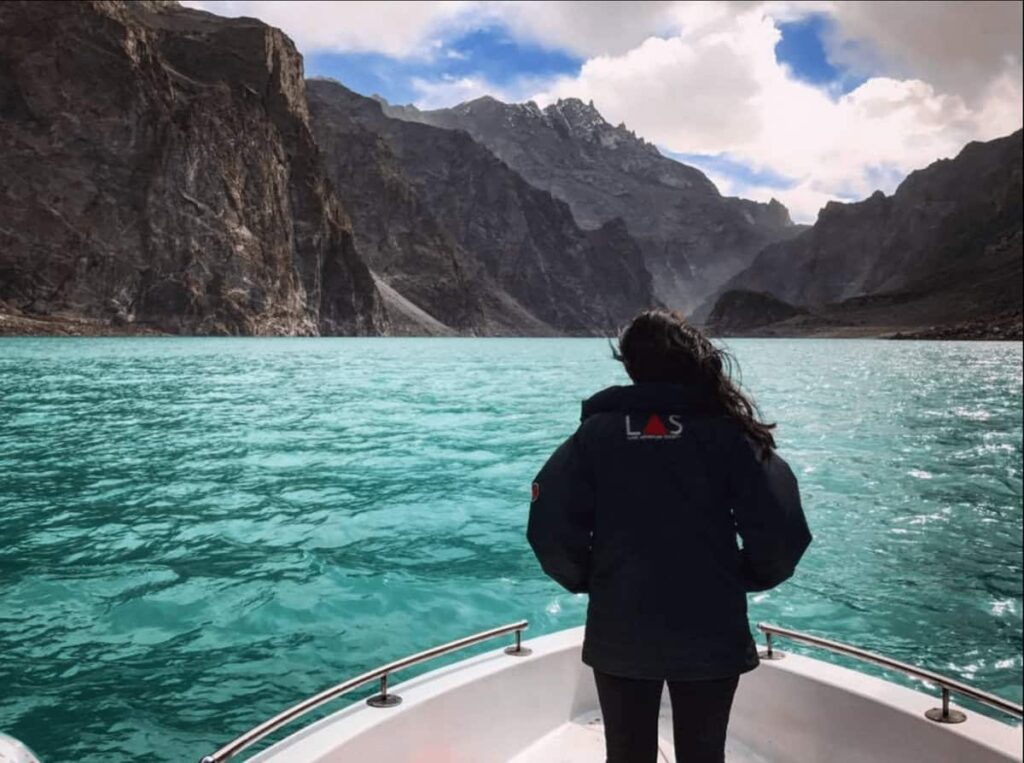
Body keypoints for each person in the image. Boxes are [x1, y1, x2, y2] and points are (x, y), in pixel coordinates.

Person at [527, 309, 812, 763]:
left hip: (620, 626)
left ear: (630, 365)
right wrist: (741, 576)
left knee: (626, 756)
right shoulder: (730, 435)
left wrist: (593, 578)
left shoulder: (594, 436)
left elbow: (549, 528)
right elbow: (782, 531)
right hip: (711, 629)